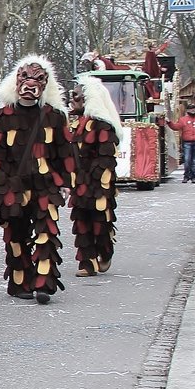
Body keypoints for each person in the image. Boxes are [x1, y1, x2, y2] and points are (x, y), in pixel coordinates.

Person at [0, 55, 76, 304]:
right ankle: (20, 279)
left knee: (47, 231)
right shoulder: (2, 118)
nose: (30, 84)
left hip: (45, 184)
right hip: (12, 184)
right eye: (25, 77)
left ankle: (44, 282)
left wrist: (66, 182)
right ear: (16, 81)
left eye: (38, 79)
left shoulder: (54, 117)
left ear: (46, 84)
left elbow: (64, 151)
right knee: (16, 234)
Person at [68, 73, 121, 277]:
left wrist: (96, 183)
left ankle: (105, 252)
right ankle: (87, 262)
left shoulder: (103, 126)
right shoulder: (75, 125)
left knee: (100, 221)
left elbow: (106, 158)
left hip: (99, 183)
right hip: (79, 182)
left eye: (77, 96)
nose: (73, 99)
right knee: (81, 222)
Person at [157, 104, 195, 183]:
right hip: (187, 142)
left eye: (193, 109)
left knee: (194, 161)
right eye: (191, 109)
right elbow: (176, 127)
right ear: (187, 111)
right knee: (187, 160)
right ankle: (186, 176)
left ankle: (193, 177)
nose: (192, 111)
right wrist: (169, 123)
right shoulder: (183, 120)